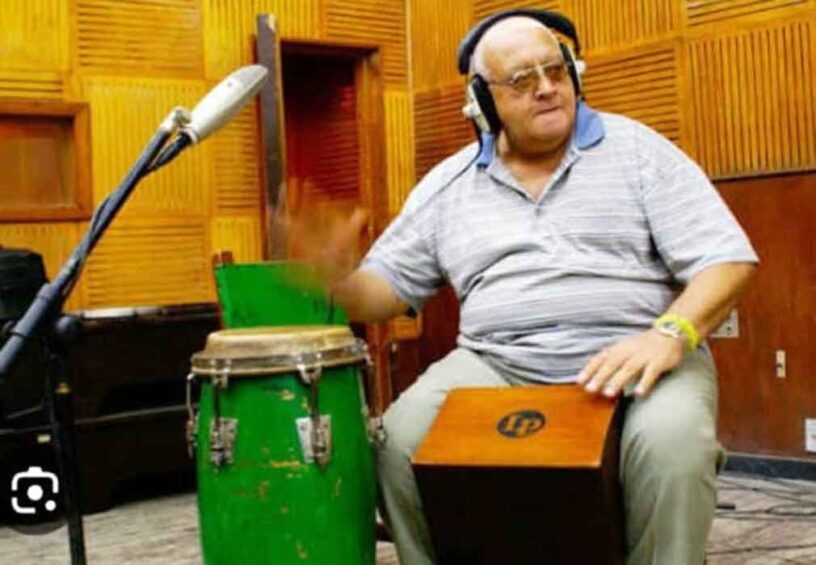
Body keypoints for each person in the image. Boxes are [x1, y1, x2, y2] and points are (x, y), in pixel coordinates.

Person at [322, 9, 758, 565]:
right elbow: (384, 294)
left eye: (556, 70)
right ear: (483, 102)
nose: (548, 88)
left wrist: (670, 334)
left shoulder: (639, 151)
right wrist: (333, 275)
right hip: (498, 362)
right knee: (401, 440)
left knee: (673, 446)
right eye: (522, 80)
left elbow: (727, 259)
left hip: (641, 354)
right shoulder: (447, 185)